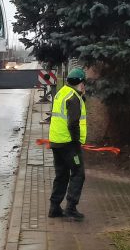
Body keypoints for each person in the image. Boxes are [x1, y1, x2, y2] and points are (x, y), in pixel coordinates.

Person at [48, 68, 88, 220]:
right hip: (69, 144)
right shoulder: (73, 97)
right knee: (78, 173)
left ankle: (54, 207)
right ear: (79, 83)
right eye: (84, 82)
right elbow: (73, 123)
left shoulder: (62, 92)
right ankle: (71, 208)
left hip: (56, 142)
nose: (84, 86)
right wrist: (77, 141)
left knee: (61, 175)